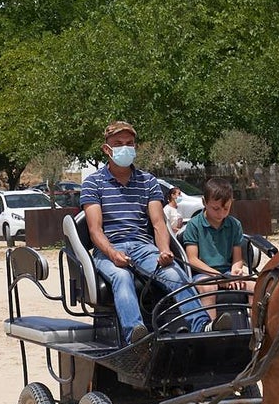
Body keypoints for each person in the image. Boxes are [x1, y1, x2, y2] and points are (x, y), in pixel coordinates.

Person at [80, 120, 219, 345]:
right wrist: (113, 253)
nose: (125, 147)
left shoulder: (148, 181)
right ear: (107, 149)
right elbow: (95, 230)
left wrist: (164, 251)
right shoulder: (93, 183)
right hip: (109, 250)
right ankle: (136, 337)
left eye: (129, 143)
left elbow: (158, 224)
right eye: (118, 143)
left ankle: (201, 325)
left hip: (144, 247)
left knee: (174, 274)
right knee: (122, 277)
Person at [180, 177, 253, 322]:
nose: (221, 214)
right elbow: (192, 260)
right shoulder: (194, 225)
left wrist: (236, 271)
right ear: (204, 202)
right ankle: (210, 326)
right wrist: (217, 276)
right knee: (209, 288)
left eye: (226, 208)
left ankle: (255, 328)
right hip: (202, 274)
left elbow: (237, 258)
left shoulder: (235, 225)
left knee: (255, 285)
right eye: (216, 208)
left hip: (228, 273)